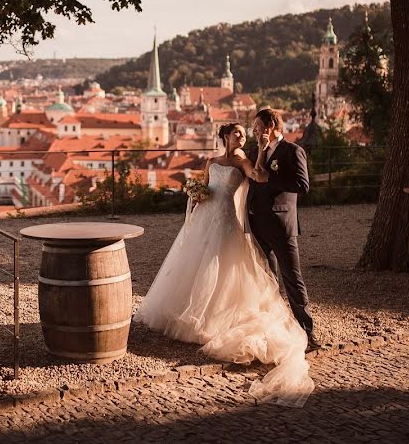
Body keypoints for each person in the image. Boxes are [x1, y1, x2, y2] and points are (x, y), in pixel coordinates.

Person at [134, 121, 314, 407]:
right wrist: (195, 194)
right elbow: (205, 185)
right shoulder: (212, 160)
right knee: (195, 265)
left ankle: (216, 317)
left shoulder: (243, 160)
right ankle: (188, 313)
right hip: (206, 215)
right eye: (237, 133)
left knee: (222, 266)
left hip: (227, 219)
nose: (242, 136)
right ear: (225, 136)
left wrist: (260, 156)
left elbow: (257, 175)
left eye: (244, 133)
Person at [248, 108, 318, 351]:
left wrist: (271, 178)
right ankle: (275, 328)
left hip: (281, 224)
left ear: (269, 126)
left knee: (292, 278)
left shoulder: (292, 151)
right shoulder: (258, 150)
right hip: (258, 223)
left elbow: (302, 184)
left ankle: (307, 332)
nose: (254, 130)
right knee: (268, 278)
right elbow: (252, 181)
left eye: (257, 126)